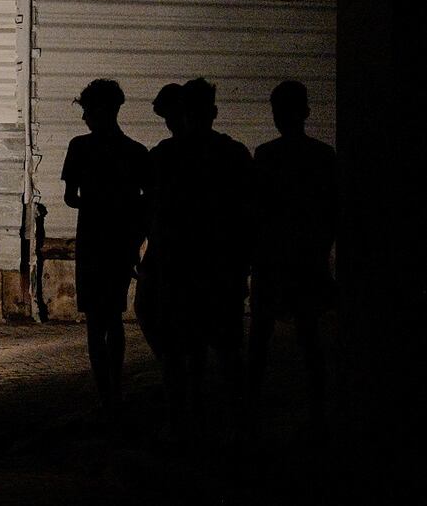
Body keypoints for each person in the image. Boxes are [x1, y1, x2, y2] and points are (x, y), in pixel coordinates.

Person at [151, 78, 253, 436]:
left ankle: (181, 424)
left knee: (180, 352)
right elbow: (247, 215)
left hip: (177, 267)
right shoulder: (235, 154)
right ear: (213, 112)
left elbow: (155, 212)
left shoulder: (164, 156)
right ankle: (233, 427)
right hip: (221, 267)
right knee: (226, 352)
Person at [247, 81, 336, 435]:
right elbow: (329, 212)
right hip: (306, 257)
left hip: (272, 258)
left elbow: (256, 211)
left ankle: (251, 410)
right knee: (309, 335)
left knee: (260, 336)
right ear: (307, 113)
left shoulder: (266, 155)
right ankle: (317, 411)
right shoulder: (323, 156)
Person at [61, 79, 150, 418]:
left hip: (92, 241)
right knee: (113, 318)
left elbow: (71, 198)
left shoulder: (79, 148)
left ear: (100, 110)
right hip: (121, 243)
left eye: (86, 110)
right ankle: (115, 392)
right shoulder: (137, 152)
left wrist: (95, 203)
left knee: (96, 323)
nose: (84, 118)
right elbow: (147, 202)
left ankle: (105, 396)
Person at [135, 83, 184, 361]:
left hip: (165, 245)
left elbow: (147, 202)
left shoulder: (161, 155)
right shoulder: (225, 151)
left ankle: (171, 368)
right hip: (173, 244)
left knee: (148, 308)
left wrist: (138, 237)